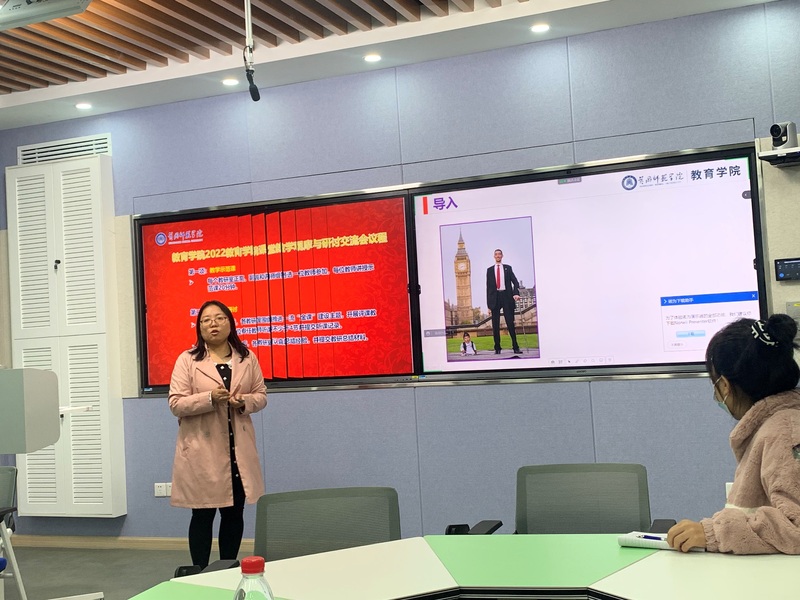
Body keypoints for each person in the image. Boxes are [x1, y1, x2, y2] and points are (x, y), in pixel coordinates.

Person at [667, 314, 800, 554]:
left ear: (724, 385)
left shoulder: (785, 432)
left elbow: (796, 526)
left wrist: (715, 533)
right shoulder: (774, 426)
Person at [168, 300, 268, 569]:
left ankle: (227, 568)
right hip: (202, 451)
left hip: (238, 451)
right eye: (206, 320)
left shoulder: (246, 358)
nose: (213, 324)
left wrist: (244, 401)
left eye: (219, 318)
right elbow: (176, 404)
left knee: (234, 513)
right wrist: (209, 398)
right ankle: (199, 571)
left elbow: (261, 395)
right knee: (202, 514)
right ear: (199, 327)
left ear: (230, 323)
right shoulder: (188, 360)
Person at [486, 249, 522, 354]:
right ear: (494, 256)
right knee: (495, 324)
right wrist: (489, 305)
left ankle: (515, 347)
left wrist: (516, 293)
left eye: (499, 254)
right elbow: (488, 288)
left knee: (510, 322)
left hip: (506, 296)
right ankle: (497, 348)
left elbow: (515, 282)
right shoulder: (489, 270)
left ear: (502, 256)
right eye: (496, 254)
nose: (498, 256)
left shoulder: (508, 268)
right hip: (495, 298)